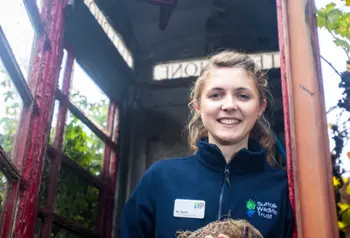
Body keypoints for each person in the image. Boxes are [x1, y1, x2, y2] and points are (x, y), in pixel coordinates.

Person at [120, 51, 294, 238]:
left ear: (260, 107)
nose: (229, 105)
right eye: (216, 95)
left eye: (243, 96)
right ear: (197, 106)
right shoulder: (160, 178)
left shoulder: (283, 188)